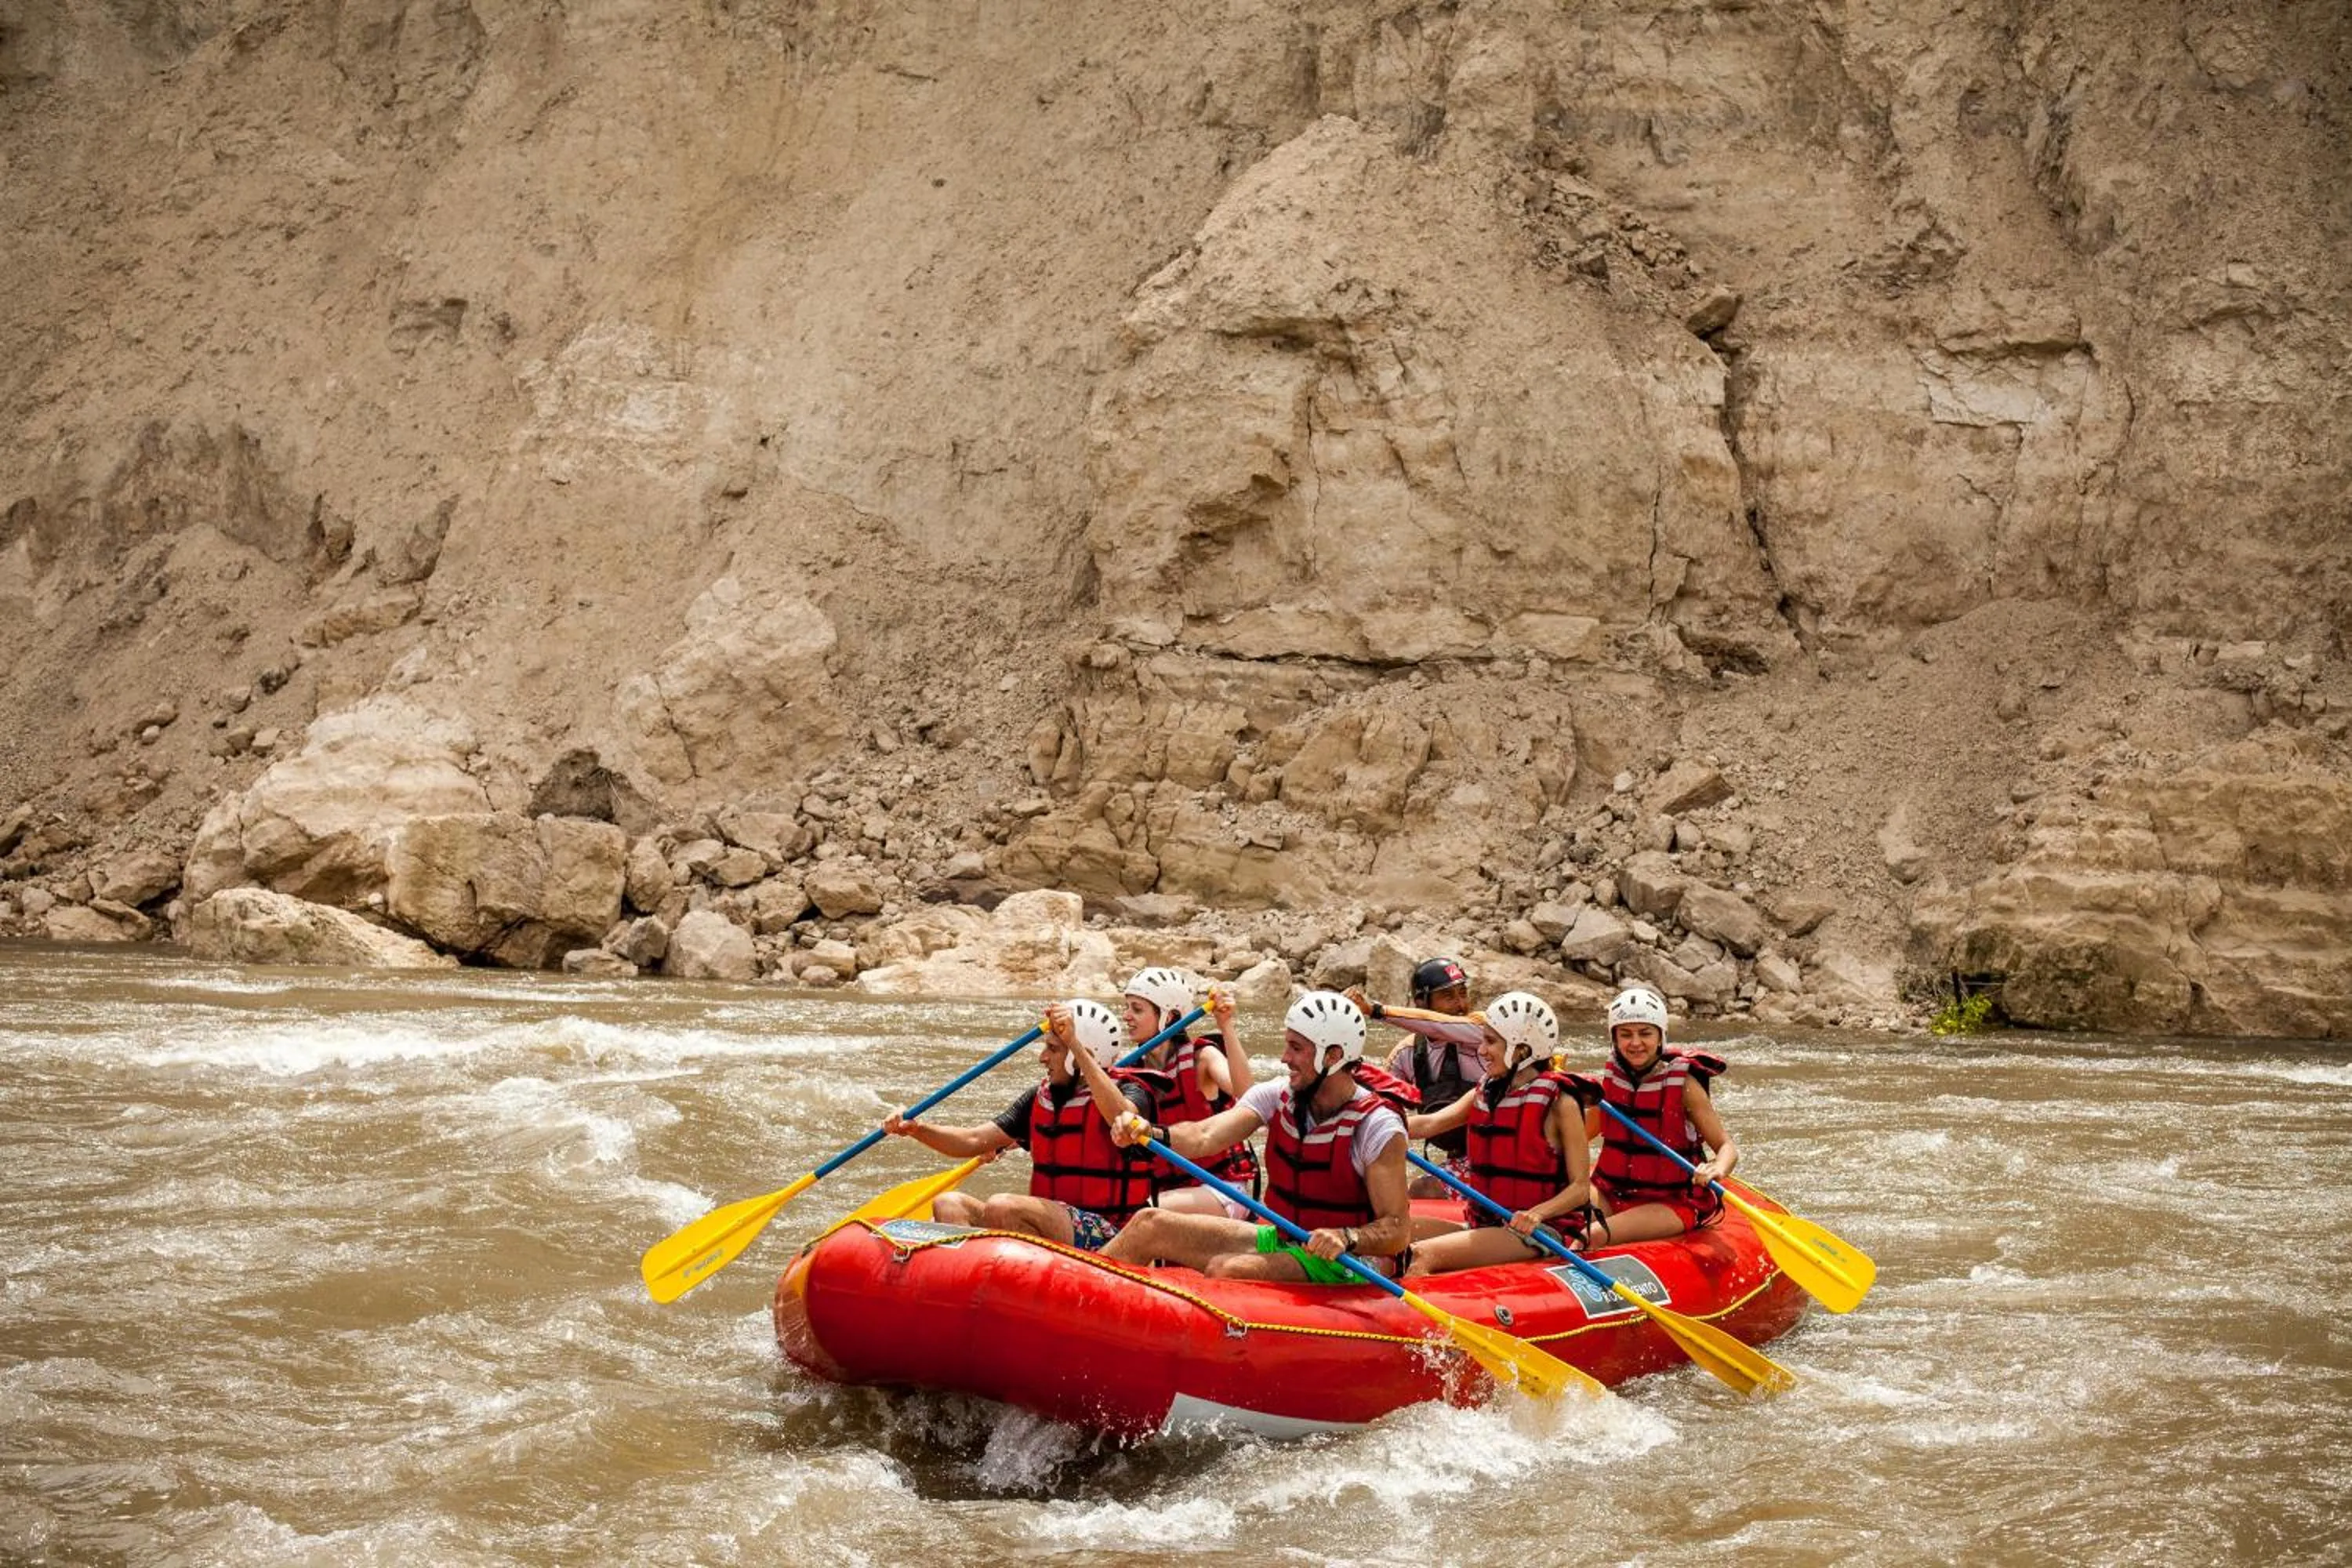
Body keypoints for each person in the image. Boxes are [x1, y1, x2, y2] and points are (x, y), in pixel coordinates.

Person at [1091, 991, 1415, 1283]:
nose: (1284, 1058)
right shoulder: (1277, 1095)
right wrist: (1151, 1132)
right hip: (1285, 1239)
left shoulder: (1377, 1125)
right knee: (1149, 1224)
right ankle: (1083, 1301)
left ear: (1332, 1056)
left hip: (1350, 1262)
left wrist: (1347, 1237)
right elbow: (1204, 1135)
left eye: (1296, 1048)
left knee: (1228, 1269)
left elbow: (1397, 1229)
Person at [882, 998, 1163, 1252]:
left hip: (1111, 1232)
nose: (1042, 1057)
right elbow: (973, 1141)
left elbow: (1122, 1118)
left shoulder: (1131, 1090)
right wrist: (917, 1129)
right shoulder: (1041, 1098)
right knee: (949, 1204)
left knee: (1004, 1207)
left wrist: (1075, 1045)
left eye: (1053, 1049)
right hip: (1051, 1223)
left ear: (1079, 1056)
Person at [1399, 993, 1595, 1275]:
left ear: (1522, 1050)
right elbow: (1430, 1124)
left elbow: (1580, 1188)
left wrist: (1538, 1214)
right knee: (1397, 1234)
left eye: (1491, 1042)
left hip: (1540, 1233)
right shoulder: (1488, 1090)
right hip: (1488, 1225)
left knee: (1420, 1256)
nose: (1481, 1050)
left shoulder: (1560, 1102)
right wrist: (1376, 1126)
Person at [1584, 985, 1736, 1250]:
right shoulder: (1611, 1080)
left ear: (1660, 1036)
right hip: (1610, 1190)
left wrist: (1717, 1168)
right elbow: (1582, 1133)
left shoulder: (1684, 1084)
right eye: (1625, 1034)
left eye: (1645, 1034)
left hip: (1671, 1201)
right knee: (1557, 1223)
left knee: (1592, 1235)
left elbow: (1727, 1147)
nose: (1635, 1043)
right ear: (1614, 1038)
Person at [1120, 967, 1257, 1217]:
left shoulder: (1201, 1058)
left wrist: (1226, 1026)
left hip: (1222, 1187)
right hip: (1168, 1188)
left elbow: (1248, 1094)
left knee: (1141, 1210)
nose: (1126, 1016)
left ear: (1169, 1017)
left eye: (1136, 1009)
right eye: (1126, 1007)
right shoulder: (1129, 1069)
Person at [1347, 956, 1487, 1196]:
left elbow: (1445, 1025)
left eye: (1463, 994)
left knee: (1426, 1190)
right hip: (1461, 1158)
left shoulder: (1483, 1035)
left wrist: (1376, 1010)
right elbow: (1374, 1104)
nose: (1461, 1004)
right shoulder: (1406, 1054)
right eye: (1449, 996)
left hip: (1493, 1158)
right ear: (1422, 1002)